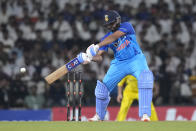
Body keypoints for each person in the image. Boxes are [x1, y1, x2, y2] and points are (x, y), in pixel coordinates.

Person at [77, 10, 154, 121]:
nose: (110, 26)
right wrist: (89, 58)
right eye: (107, 25)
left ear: (118, 20)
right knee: (102, 89)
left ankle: (145, 115)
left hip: (136, 59)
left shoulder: (127, 26)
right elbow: (99, 57)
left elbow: (114, 37)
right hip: (119, 63)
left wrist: (97, 45)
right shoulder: (105, 39)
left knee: (145, 79)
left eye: (111, 23)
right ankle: (99, 116)